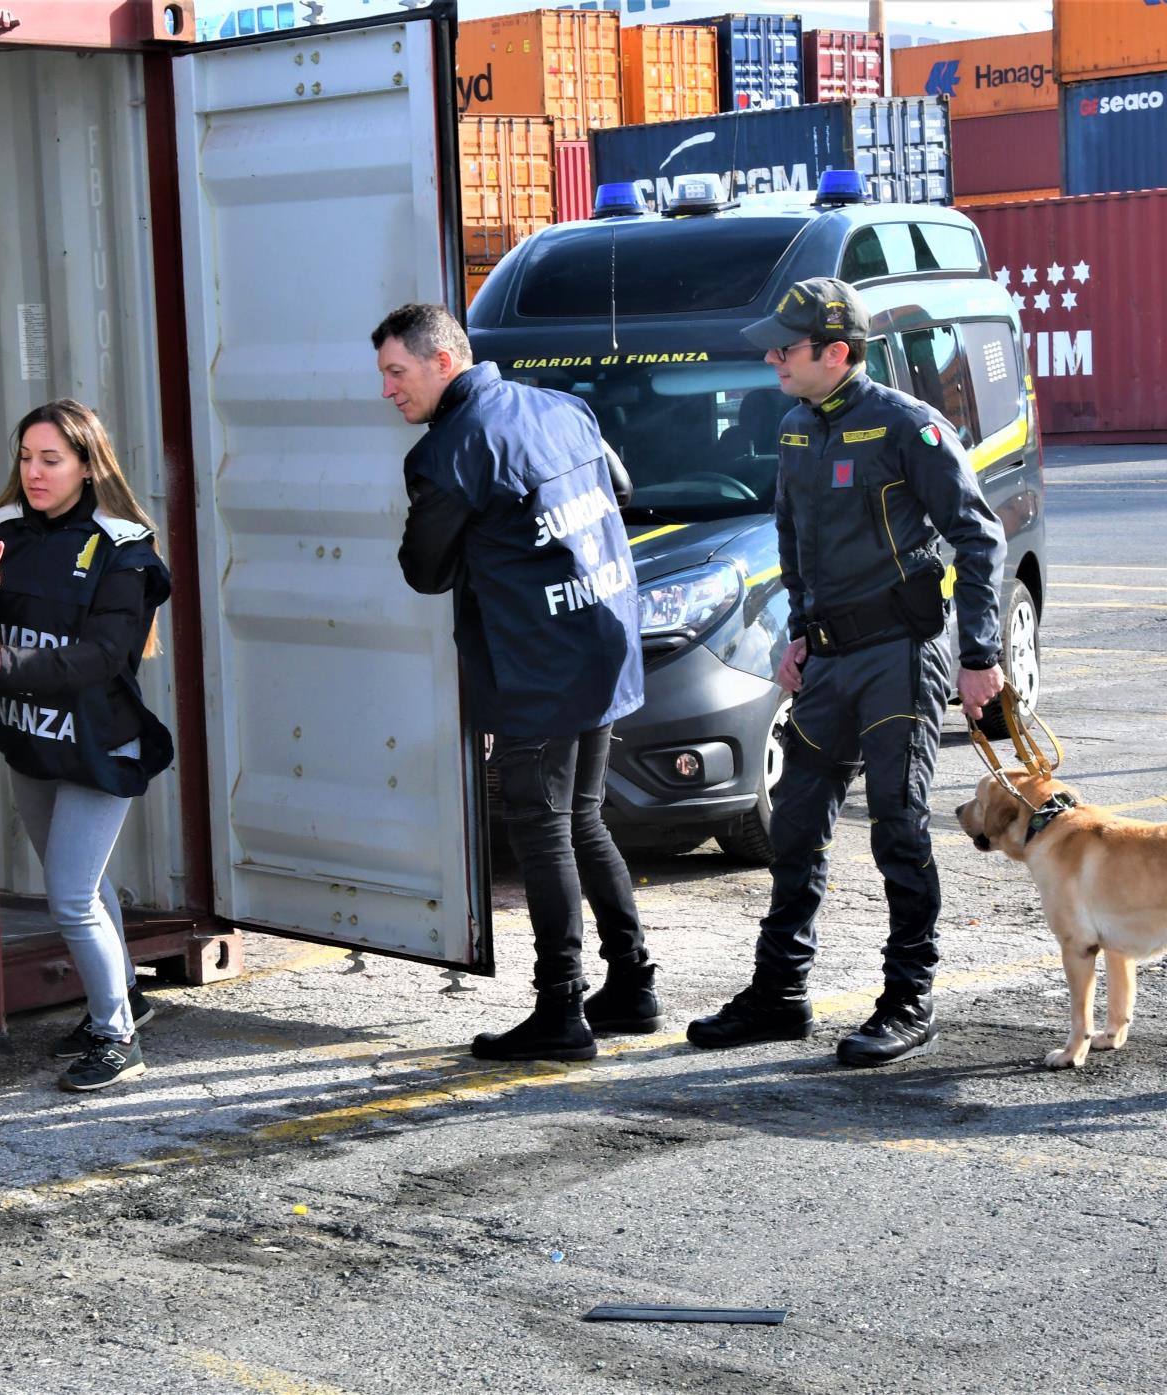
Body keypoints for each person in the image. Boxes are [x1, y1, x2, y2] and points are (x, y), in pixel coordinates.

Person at [686, 278, 1007, 1066]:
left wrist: (980, 658)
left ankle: (909, 998)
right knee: (794, 825)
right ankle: (780, 993)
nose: (772, 357)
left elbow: (979, 538)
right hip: (827, 660)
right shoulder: (797, 426)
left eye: (786, 347)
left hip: (900, 656)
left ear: (836, 352)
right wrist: (798, 635)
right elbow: (793, 540)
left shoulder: (908, 429)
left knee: (897, 825)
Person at [374, 302, 655, 1063]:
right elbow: (619, 491)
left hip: (538, 665)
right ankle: (632, 981)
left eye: (397, 373)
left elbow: (423, 571)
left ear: (444, 361)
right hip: (601, 640)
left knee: (542, 829)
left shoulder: (449, 451)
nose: (389, 391)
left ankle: (561, 1010)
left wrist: (491, 546)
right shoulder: (563, 406)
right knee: (583, 816)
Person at [0, 399, 173, 1093]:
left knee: (68, 896)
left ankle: (118, 1037)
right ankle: (124, 1001)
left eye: (51, 459)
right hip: (30, 743)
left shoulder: (123, 547)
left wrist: (9, 665)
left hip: (96, 746)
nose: (33, 471)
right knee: (84, 888)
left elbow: (104, 655)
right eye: (25, 457)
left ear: (88, 466)